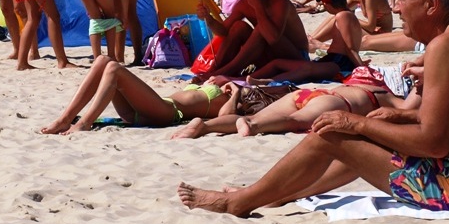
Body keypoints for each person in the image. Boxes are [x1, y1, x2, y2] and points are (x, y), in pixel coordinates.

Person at [177, 0, 449, 216]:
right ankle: (278, 193)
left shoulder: (445, 46)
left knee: (331, 135)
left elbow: (434, 143)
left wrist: (357, 123)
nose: (396, 8)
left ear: (431, 4)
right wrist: (397, 117)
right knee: (366, 136)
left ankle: (239, 202)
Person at [40, 56, 234, 135]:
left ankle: (85, 123)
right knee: (102, 60)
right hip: (149, 108)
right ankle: (64, 119)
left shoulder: (230, 96)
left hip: (168, 112)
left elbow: (227, 116)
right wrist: (201, 83)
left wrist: (236, 91)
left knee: (113, 68)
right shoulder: (213, 85)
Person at [172, 77, 402, 140]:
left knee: (256, 115)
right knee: (296, 120)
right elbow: (407, 110)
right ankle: (254, 125)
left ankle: (204, 126)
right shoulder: (384, 95)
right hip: (336, 101)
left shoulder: (358, 84)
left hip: (306, 92)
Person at [194, 0, 308, 81]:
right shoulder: (244, 4)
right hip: (270, 55)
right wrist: (208, 18)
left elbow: (273, 38)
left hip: (296, 56)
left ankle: (223, 72)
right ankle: (214, 70)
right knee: (239, 26)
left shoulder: (280, 2)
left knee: (261, 29)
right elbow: (223, 31)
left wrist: (257, 6)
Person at [247, 0, 362, 83]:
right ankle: (246, 79)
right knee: (279, 63)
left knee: (306, 69)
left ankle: (269, 81)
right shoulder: (347, 15)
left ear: (327, 3)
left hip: (340, 63)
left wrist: (362, 69)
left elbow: (350, 48)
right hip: (334, 60)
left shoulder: (342, 16)